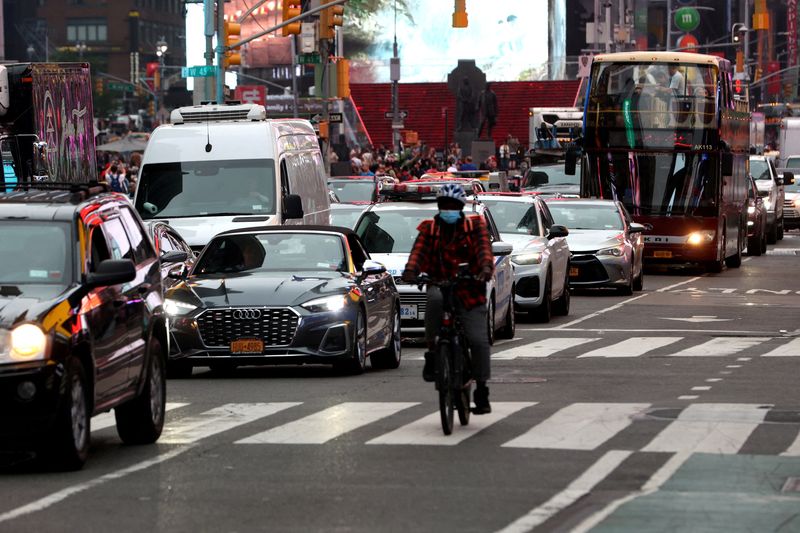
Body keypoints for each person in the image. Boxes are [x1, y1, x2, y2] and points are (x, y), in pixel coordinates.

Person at [401, 183, 495, 414]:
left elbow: (484, 253)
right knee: (433, 303)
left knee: (478, 340)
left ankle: (481, 390)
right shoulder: (430, 229)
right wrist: (411, 273)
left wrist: (483, 269)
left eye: (453, 206)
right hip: (440, 285)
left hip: (470, 289)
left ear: (461, 207)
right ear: (439, 206)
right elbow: (417, 254)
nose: (448, 210)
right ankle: (433, 353)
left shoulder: (475, 227)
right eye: (445, 206)